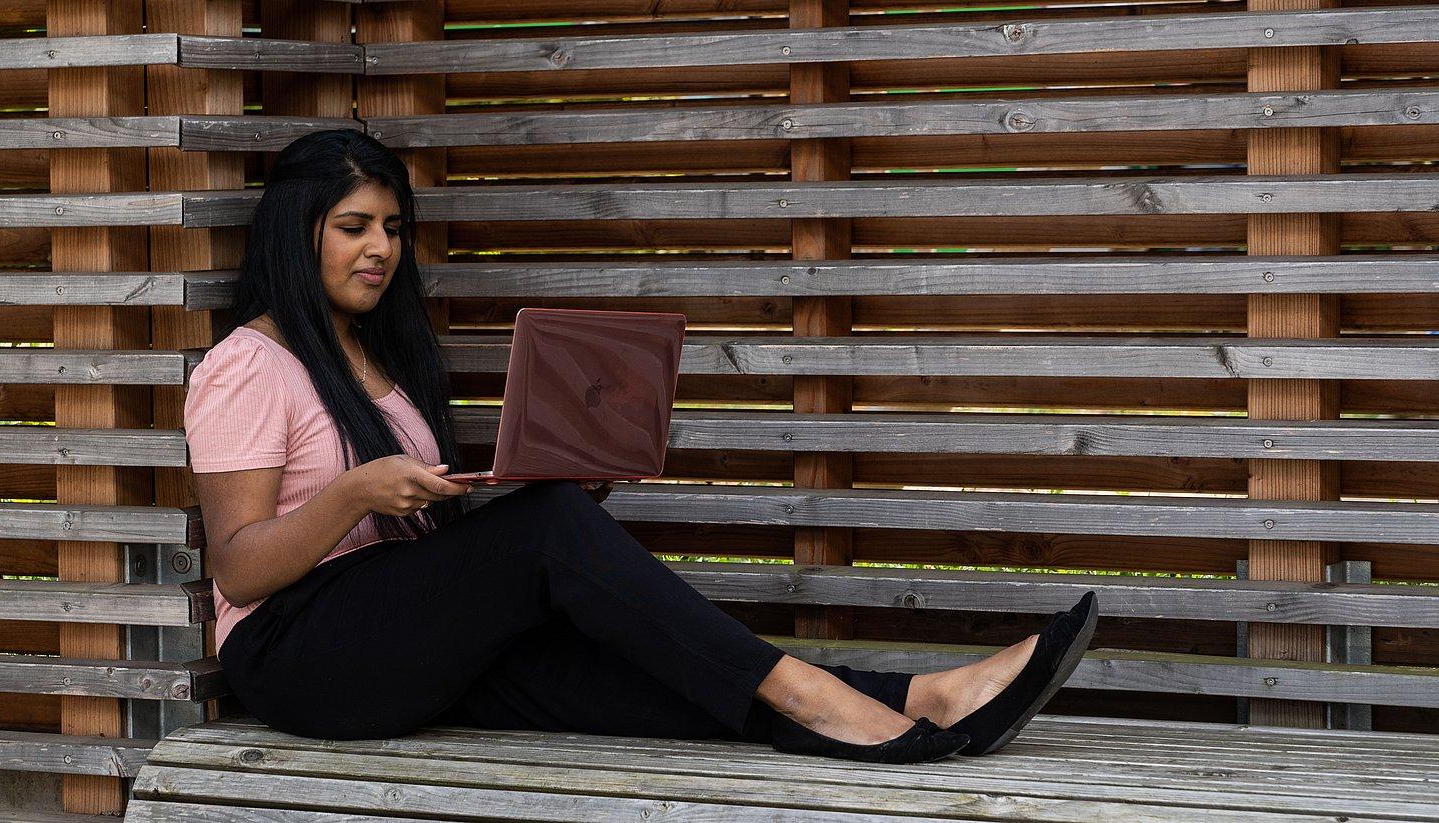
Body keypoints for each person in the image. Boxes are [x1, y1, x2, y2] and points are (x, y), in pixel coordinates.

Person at [186, 129, 1097, 764]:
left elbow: (417, 552)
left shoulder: (375, 356)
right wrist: (355, 493)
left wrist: (551, 490)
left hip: (390, 640)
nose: (381, 249)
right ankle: (822, 702)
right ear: (297, 232)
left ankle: (918, 698)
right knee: (545, 527)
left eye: (393, 228)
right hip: (299, 656)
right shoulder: (249, 366)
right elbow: (239, 567)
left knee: (626, 670)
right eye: (354, 227)